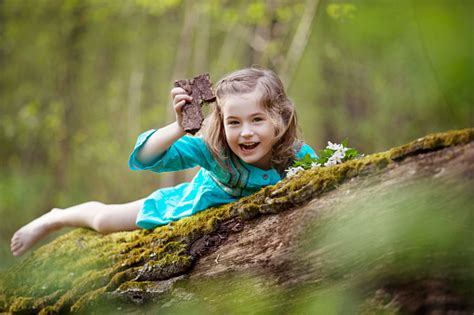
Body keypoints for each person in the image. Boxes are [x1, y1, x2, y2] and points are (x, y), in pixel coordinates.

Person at [10, 68, 316, 257]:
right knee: (105, 221)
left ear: (281, 119)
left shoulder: (300, 158)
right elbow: (146, 157)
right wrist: (179, 127)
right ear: (221, 125)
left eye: (257, 120)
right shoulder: (212, 150)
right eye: (234, 122)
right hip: (185, 205)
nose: (245, 132)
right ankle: (55, 217)